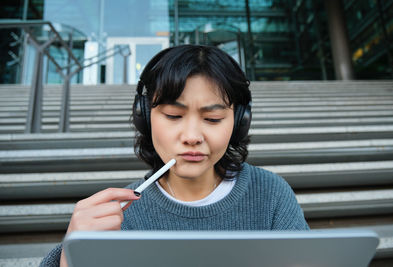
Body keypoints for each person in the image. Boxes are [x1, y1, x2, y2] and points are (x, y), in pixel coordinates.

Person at [40, 44, 309, 267]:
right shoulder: (116, 218)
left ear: (239, 121)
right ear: (145, 117)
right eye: (173, 116)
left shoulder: (271, 194)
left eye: (213, 119)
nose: (192, 136)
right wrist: (72, 253)